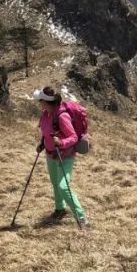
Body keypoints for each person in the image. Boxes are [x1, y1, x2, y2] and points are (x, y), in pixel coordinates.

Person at [33, 86, 88, 227]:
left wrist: (61, 142)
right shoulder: (45, 115)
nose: (40, 103)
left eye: (41, 101)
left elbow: (73, 137)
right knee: (55, 183)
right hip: (51, 155)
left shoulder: (62, 116)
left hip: (65, 156)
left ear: (46, 102)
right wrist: (42, 144)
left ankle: (81, 217)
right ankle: (59, 209)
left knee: (63, 186)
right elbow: (46, 133)